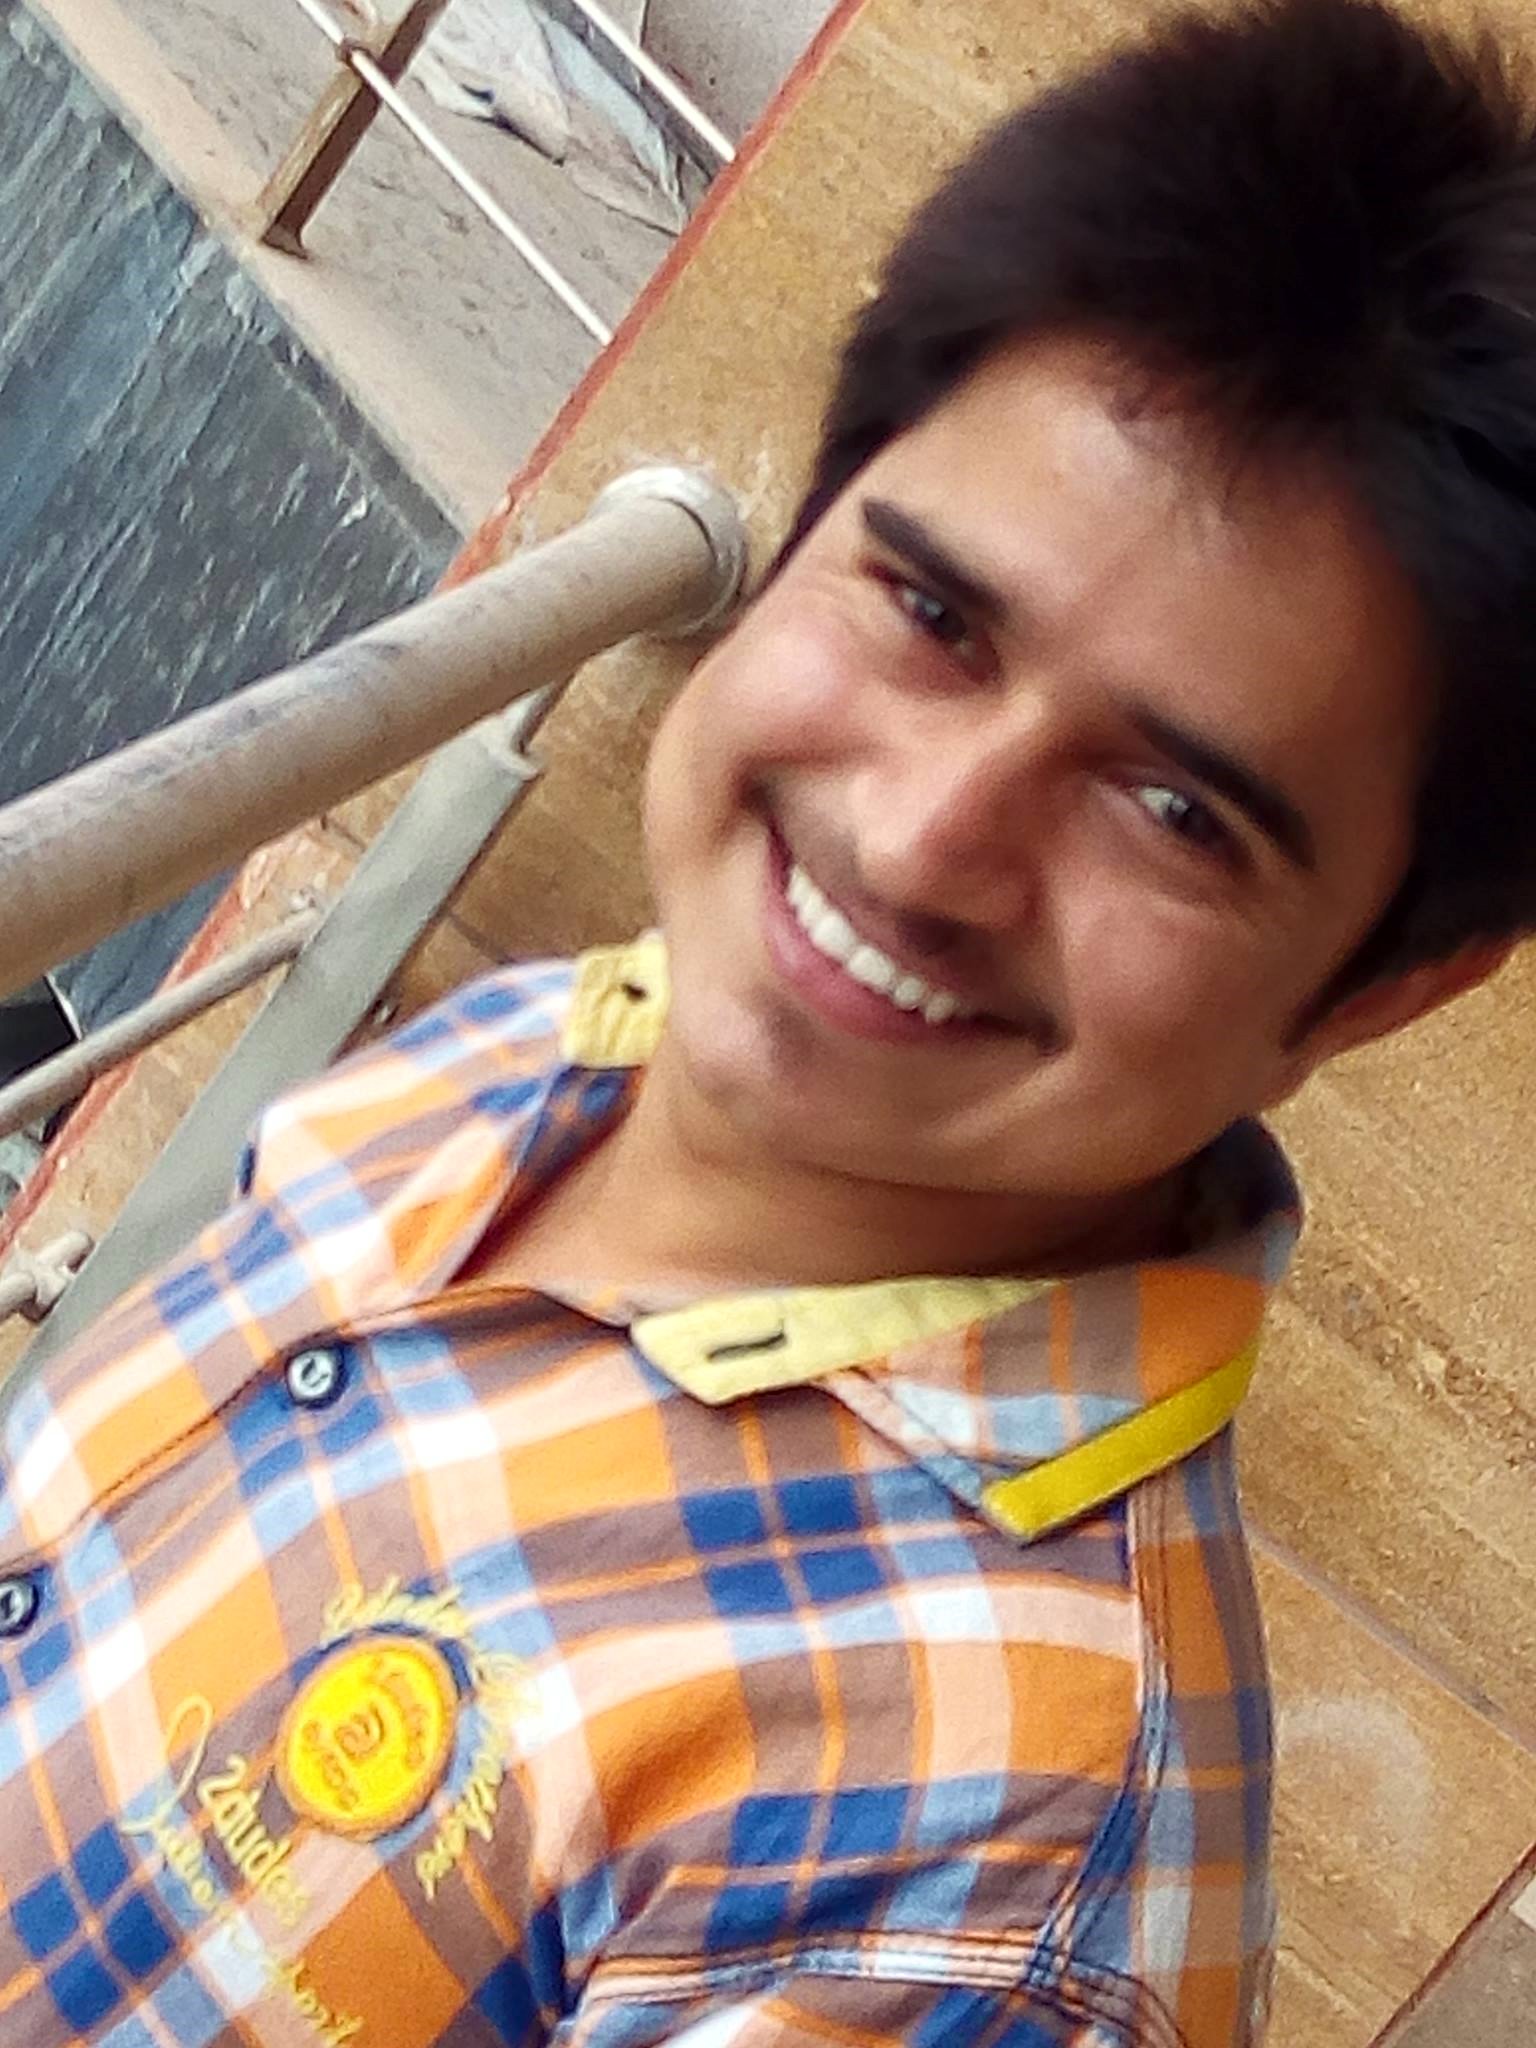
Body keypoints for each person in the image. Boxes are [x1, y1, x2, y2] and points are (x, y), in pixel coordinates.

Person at [3, 0, 1534, 2041]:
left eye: (1174, 812)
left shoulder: (975, 1896)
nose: (917, 841)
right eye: (932, 615)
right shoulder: (546, 1047)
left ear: (1385, 983)